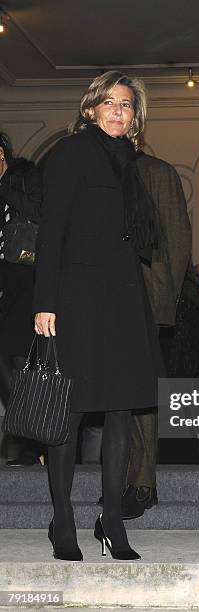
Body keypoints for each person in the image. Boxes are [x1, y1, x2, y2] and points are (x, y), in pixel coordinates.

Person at [33, 70, 162, 561]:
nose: (117, 111)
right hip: (78, 301)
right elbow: (53, 231)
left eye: (126, 105)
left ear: (135, 117)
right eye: (108, 102)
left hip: (124, 300)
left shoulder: (131, 164)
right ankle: (62, 522)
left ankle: (111, 522)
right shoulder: (71, 153)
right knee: (69, 411)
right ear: (90, 109)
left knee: (120, 413)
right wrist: (45, 302)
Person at [122, 150, 191, 518]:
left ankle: (143, 482)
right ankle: (127, 477)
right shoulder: (94, 170)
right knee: (117, 394)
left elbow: (177, 236)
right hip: (104, 298)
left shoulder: (156, 170)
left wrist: (165, 301)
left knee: (142, 391)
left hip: (144, 297)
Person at [0, 132, 43, 466]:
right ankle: (27, 433)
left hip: (23, 278)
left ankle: (27, 438)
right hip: (5, 284)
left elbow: (39, 212)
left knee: (15, 358)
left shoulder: (22, 176)